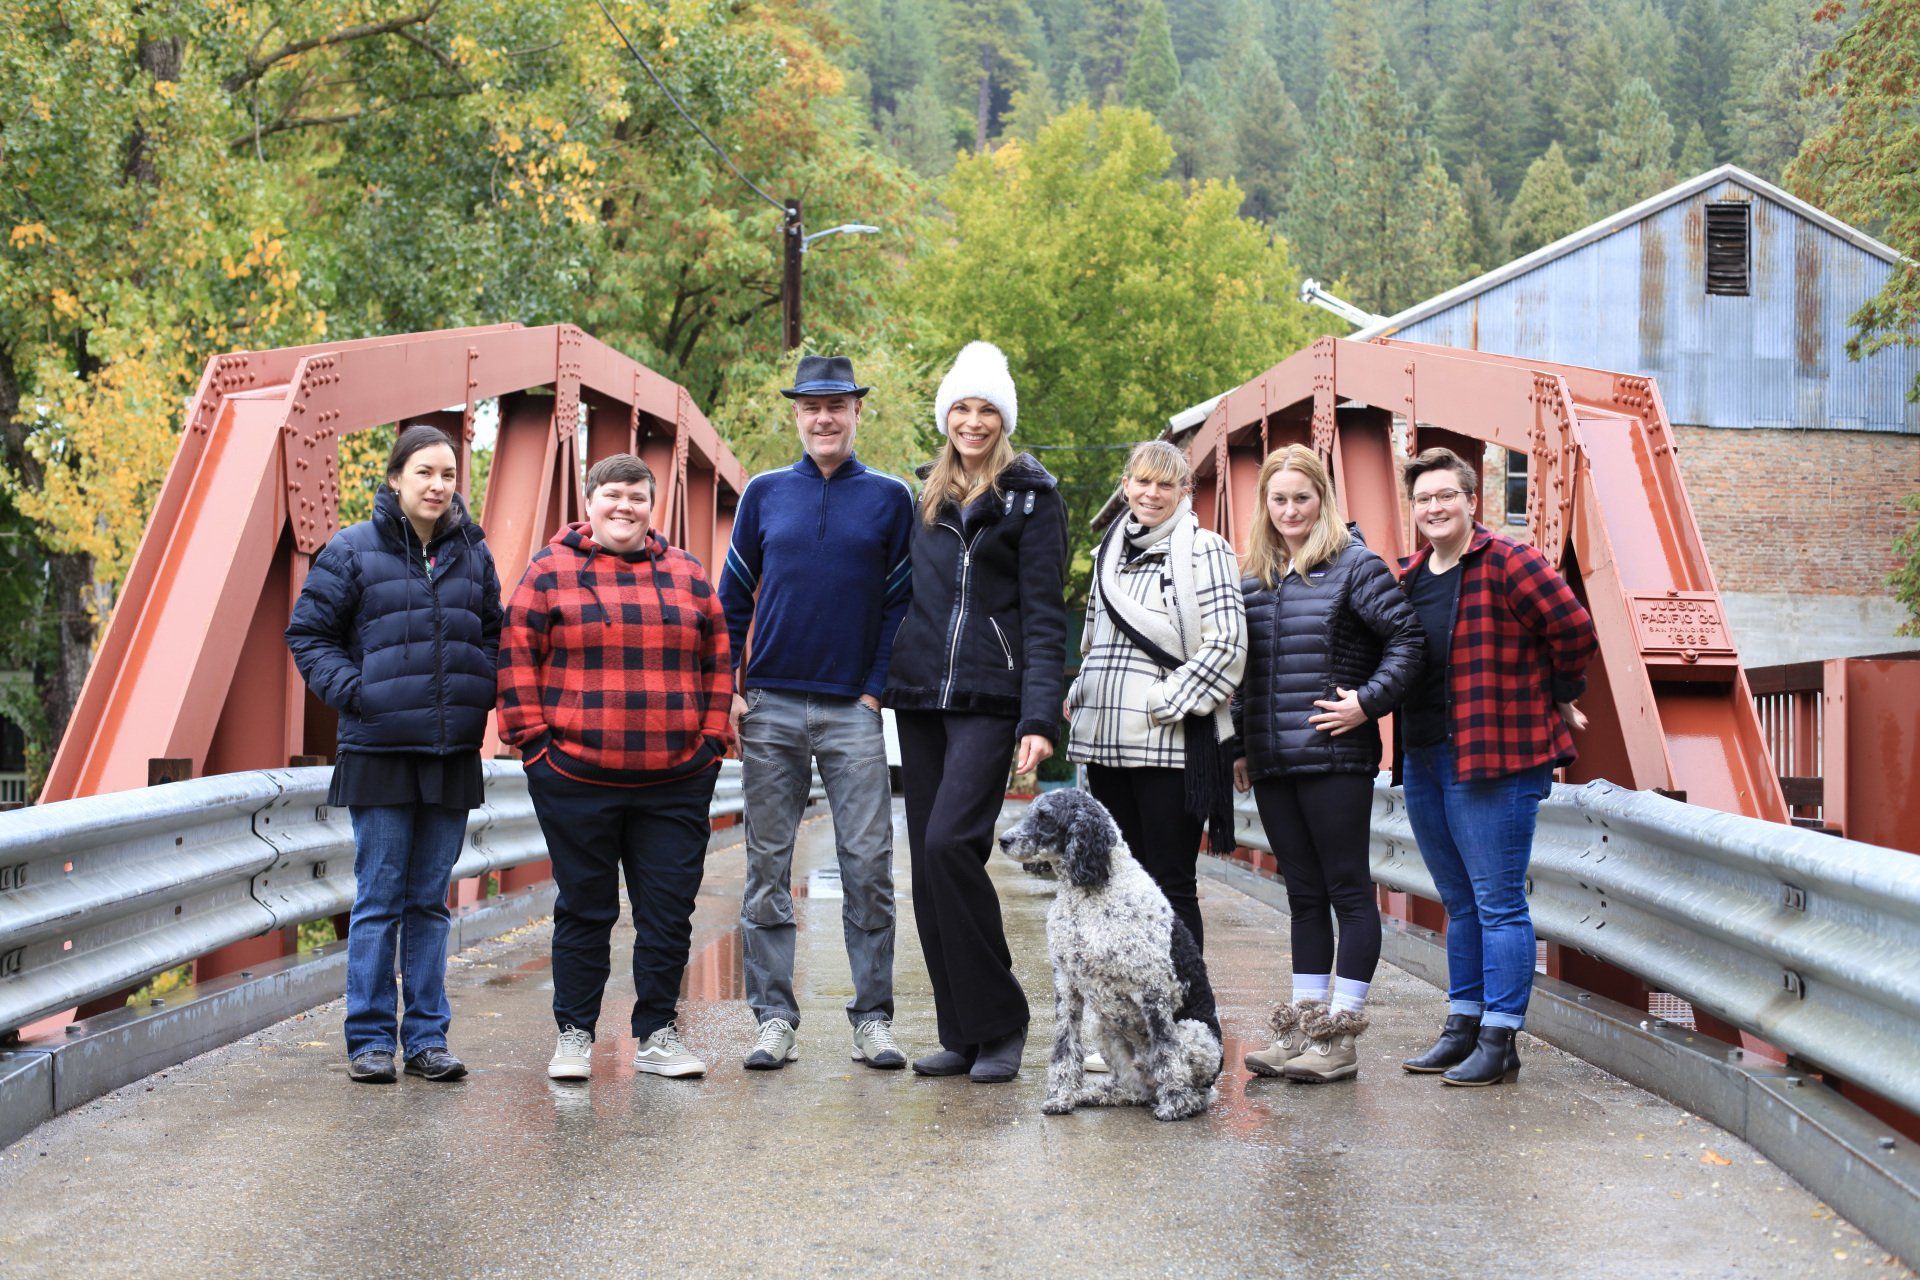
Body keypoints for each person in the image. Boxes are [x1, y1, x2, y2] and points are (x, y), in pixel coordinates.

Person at [495, 453, 732, 1082]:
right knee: (585, 908)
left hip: (675, 779)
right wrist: (536, 749)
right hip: (575, 777)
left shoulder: (687, 573)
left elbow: (719, 661)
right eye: (612, 496)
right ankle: (574, 1034)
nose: (624, 507)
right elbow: (516, 656)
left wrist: (712, 742)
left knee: (667, 911)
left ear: (652, 507)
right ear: (589, 501)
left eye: (637, 497)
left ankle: (656, 1034)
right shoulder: (549, 571)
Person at [286, 424, 503, 1085]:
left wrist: (478, 692)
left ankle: (428, 1041)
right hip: (380, 748)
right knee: (379, 899)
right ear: (394, 480)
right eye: (424, 474)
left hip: (449, 752)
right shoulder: (353, 551)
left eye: (447, 475)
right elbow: (308, 634)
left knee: (430, 903)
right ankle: (371, 1041)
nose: (438, 485)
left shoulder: (473, 553)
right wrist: (358, 693)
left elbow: (493, 633)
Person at [718, 354, 914, 1072]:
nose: (824, 418)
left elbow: (901, 603)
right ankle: (774, 1018)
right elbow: (731, 598)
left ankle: (872, 1020)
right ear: (796, 415)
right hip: (768, 704)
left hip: (852, 712)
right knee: (767, 869)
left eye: (837, 405)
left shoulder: (891, 498)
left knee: (869, 866)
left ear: (858, 411)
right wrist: (731, 686)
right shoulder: (764, 494)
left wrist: (873, 689)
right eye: (811, 406)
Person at [883, 341, 1068, 1084]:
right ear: (945, 416)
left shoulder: (1033, 498)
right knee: (927, 870)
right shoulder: (922, 493)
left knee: (950, 847)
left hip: (993, 700)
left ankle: (1003, 1022)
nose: (972, 420)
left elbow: (1045, 613)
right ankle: (960, 1031)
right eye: (961, 407)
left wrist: (1038, 718)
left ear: (1005, 418)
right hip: (923, 697)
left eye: (987, 408)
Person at [1395, 447, 1597, 1087]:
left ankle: (1500, 1037)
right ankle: (1461, 1026)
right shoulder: (1409, 575)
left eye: (1445, 496)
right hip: (1424, 755)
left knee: (1499, 902)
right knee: (1459, 900)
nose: (1434, 508)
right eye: (1423, 499)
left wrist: (1558, 690)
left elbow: (1574, 627)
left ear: (1470, 500)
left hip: (1495, 755)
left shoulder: (1508, 560)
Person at [1231, 445, 1424, 1083]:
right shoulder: (1253, 576)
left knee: (1346, 890)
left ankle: (1339, 1039)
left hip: (1335, 756)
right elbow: (1241, 671)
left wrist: (1367, 705)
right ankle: (1304, 1030)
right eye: (1278, 499)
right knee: (1304, 896)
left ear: (1324, 500)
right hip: (1273, 759)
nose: (1290, 510)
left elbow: (1408, 640)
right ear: (1265, 505)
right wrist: (1239, 744)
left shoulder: (1355, 567)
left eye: (1302, 498)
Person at [1067, 438, 1246, 950]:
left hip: (1168, 746)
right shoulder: (1106, 553)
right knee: (1122, 881)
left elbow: (1228, 643)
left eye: (1165, 484)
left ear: (1184, 490)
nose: (1152, 493)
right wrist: (1083, 690)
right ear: (1125, 486)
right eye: (1142, 481)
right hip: (1104, 745)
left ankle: (1188, 1006)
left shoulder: (1205, 549)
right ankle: (1137, 996)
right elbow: (1092, 639)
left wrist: (1167, 702)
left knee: (1170, 881)